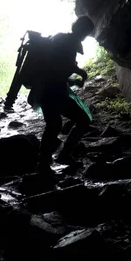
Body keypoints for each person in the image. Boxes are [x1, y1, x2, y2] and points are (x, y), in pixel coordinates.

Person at [28, 15, 95, 173]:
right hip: (53, 91)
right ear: (82, 31)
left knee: (54, 125)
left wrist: (72, 81)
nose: (85, 37)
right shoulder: (70, 42)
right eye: (86, 33)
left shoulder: (58, 38)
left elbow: (55, 69)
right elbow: (60, 66)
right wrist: (79, 71)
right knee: (82, 120)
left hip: (44, 89)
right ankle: (62, 155)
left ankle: (43, 163)